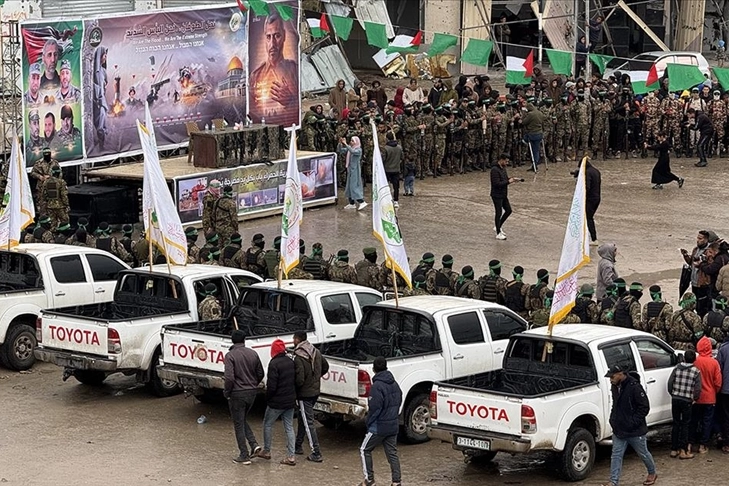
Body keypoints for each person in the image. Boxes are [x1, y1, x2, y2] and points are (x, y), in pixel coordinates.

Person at [601, 364, 657, 486]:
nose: (610, 380)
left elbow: (644, 407)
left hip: (635, 431)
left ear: (620, 374)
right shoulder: (615, 386)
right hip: (619, 429)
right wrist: (613, 419)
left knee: (643, 453)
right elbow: (615, 404)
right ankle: (613, 481)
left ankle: (652, 472)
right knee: (616, 455)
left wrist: (633, 422)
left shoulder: (635, 387)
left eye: (612, 377)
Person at [358, 356, 402, 486]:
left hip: (379, 426)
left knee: (364, 449)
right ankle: (396, 481)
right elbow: (399, 400)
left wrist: (368, 422)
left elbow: (374, 408)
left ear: (374, 369)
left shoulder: (377, 386)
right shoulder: (394, 384)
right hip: (393, 425)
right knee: (392, 453)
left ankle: (369, 480)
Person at [249, 13, 299, 124]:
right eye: (268, 37)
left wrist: (290, 101)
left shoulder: (294, 70)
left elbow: (300, 107)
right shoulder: (255, 76)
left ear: (284, 36)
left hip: (288, 129)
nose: (272, 44)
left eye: (277, 36)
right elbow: (251, 112)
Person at [223, 330, 264, 464]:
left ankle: (244, 455)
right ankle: (254, 444)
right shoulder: (253, 353)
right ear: (244, 340)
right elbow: (260, 373)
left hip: (237, 394)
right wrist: (253, 384)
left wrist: (227, 392)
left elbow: (229, 378)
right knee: (241, 420)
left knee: (238, 424)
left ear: (232, 340)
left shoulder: (230, 355)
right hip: (251, 393)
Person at [259, 339, 297, 466]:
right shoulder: (291, 362)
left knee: (267, 424)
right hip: (290, 401)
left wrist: (268, 398)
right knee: (289, 427)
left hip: (276, 402)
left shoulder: (274, 363)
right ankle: (291, 456)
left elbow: (272, 385)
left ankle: (267, 451)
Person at [293, 330, 327, 463]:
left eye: (294, 338)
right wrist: (315, 378)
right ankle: (298, 445)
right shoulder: (315, 351)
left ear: (297, 339)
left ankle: (316, 452)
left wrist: (296, 391)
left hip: (304, 394)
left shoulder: (299, 356)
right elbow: (325, 366)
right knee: (303, 418)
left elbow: (300, 379)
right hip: (315, 391)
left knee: (308, 422)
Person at [690, 336, 722, 454]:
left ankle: (690, 443)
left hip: (696, 398)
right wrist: (714, 392)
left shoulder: (695, 361)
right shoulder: (714, 363)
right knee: (707, 422)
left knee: (694, 420)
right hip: (710, 397)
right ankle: (703, 445)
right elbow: (718, 382)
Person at [667, 349, 702, 460]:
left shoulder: (676, 368)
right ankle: (684, 450)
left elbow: (670, 383)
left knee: (676, 423)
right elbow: (698, 388)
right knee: (686, 424)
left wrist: (673, 393)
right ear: (694, 359)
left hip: (675, 398)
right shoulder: (696, 371)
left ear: (684, 358)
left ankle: (674, 449)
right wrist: (695, 398)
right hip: (687, 400)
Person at [682, 230, 717, 317]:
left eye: (700, 238)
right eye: (697, 238)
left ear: (706, 240)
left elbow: (710, 267)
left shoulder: (709, 251)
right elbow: (691, 263)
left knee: (703, 307)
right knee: (696, 305)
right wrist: (686, 255)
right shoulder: (695, 249)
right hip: (694, 282)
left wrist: (701, 263)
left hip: (703, 284)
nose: (698, 240)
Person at [490, 153, 520, 240]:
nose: (507, 163)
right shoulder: (494, 170)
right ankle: (498, 233)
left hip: (503, 194)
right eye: (506, 161)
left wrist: (512, 179)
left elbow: (504, 179)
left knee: (508, 210)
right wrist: (508, 182)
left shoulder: (503, 168)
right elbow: (496, 183)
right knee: (498, 212)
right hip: (496, 195)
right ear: (501, 160)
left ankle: (498, 226)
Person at [339, 136, 366, 210]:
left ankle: (361, 201)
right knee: (349, 186)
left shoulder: (358, 150)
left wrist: (346, 144)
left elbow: (353, 152)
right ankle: (351, 203)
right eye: (351, 140)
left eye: (352, 141)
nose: (351, 142)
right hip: (350, 169)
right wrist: (340, 143)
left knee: (354, 186)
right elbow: (341, 150)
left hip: (355, 170)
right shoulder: (350, 148)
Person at [522, 103, 545, 171]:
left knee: (526, 141)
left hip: (532, 134)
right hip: (539, 133)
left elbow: (524, 122)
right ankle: (535, 163)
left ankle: (534, 164)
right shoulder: (540, 113)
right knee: (536, 150)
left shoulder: (530, 114)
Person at [583, 158, 602, 245]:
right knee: (589, 217)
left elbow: (587, 186)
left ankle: (594, 239)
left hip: (590, 199)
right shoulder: (596, 171)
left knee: (589, 218)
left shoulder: (588, 172)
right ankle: (589, 235)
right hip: (597, 198)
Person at [716, 330, 729, 453]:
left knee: (726, 416)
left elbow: (718, 369)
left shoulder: (723, 349)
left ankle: (727, 444)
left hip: (726, 389)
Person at [382, 132, 402, 207]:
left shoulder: (385, 148)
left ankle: (386, 199)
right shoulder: (399, 148)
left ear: (387, 139)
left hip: (387, 170)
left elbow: (383, 159)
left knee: (386, 186)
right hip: (396, 169)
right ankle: (396, 200)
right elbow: (402, 157)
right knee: (396, 186)